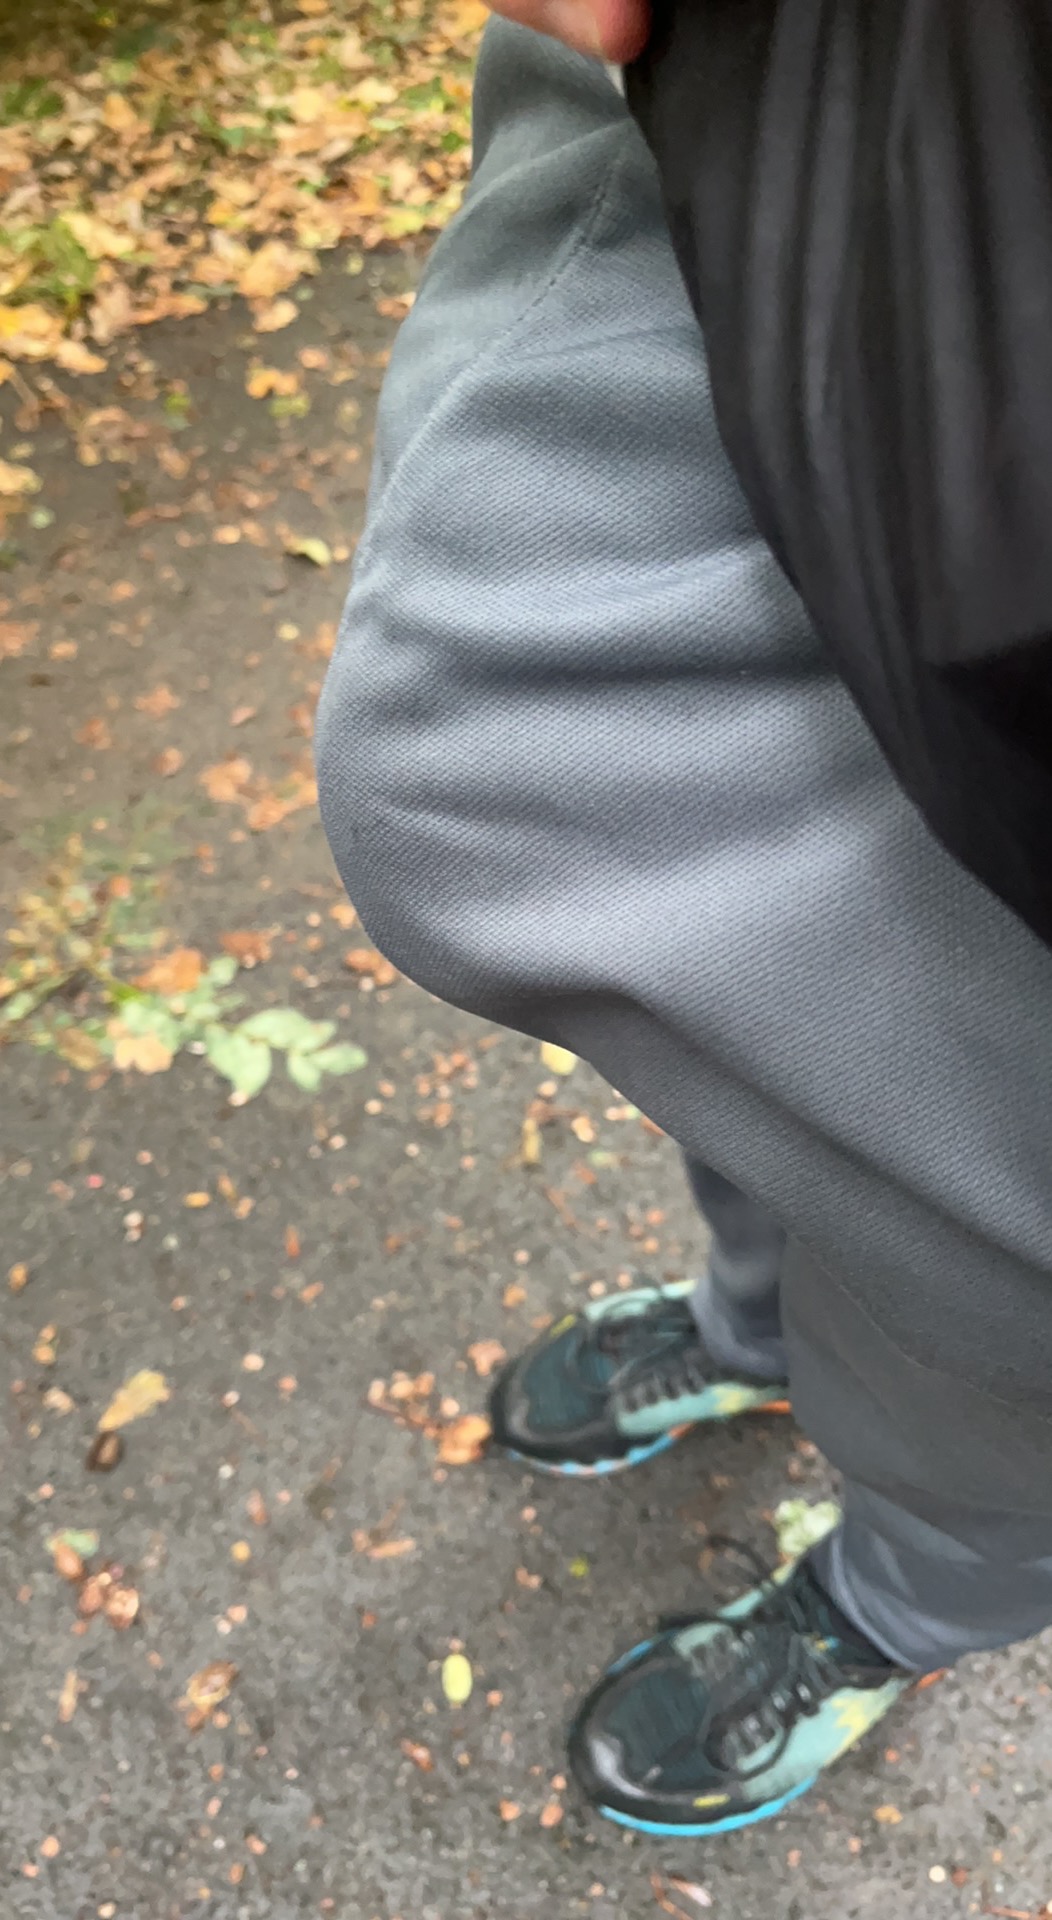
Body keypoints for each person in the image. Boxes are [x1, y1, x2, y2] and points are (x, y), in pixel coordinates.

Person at [315, 2, 1052, 1838]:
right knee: (741, 1042)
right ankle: (751, 1325)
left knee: (993, 1287)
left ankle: (905, 1596)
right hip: (821, 134)